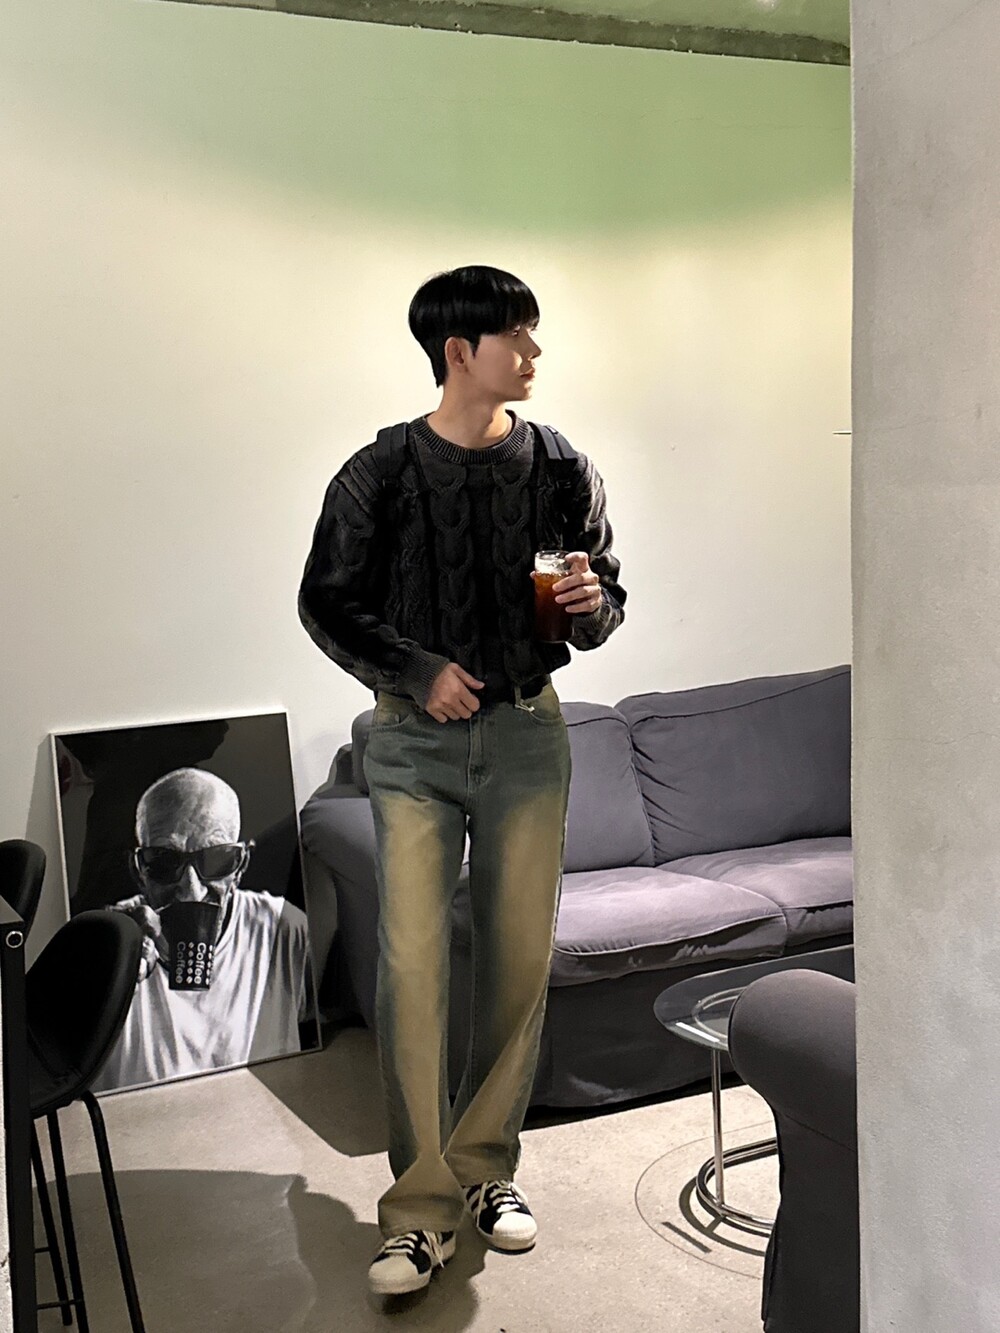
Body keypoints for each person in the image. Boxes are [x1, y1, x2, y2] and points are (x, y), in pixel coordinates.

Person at [298, 265, 626, 1297]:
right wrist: (415, 669)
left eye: (532, 335)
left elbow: (600, 598)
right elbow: (324, 600)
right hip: (411, 745)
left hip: (529, 735)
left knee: (519, 962)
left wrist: (591, 604)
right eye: (516, 336)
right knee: (412, 966)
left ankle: (486, 1169)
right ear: (459, 351)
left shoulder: (561, 466)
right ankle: (418, 1210)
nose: (533, 354)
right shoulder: (379, 472)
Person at [95, 767, 311, 1092]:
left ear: (240, 866)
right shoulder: (104, 949)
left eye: (216, 860)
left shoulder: (284, 932)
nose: (191, 891)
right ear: (139, 870)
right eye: (164, 862)